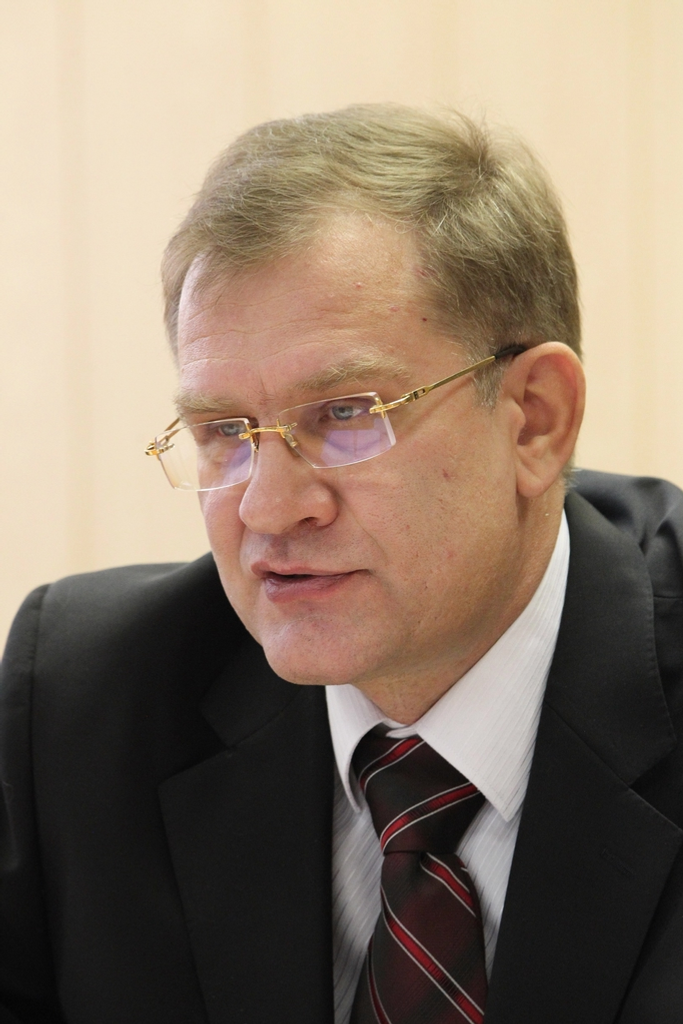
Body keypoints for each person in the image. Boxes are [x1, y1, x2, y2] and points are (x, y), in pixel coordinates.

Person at [1, 105, 682, 1024]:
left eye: (346, 414)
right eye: (224, 431)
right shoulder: (88, 706)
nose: (268, 508)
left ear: (534, 419)